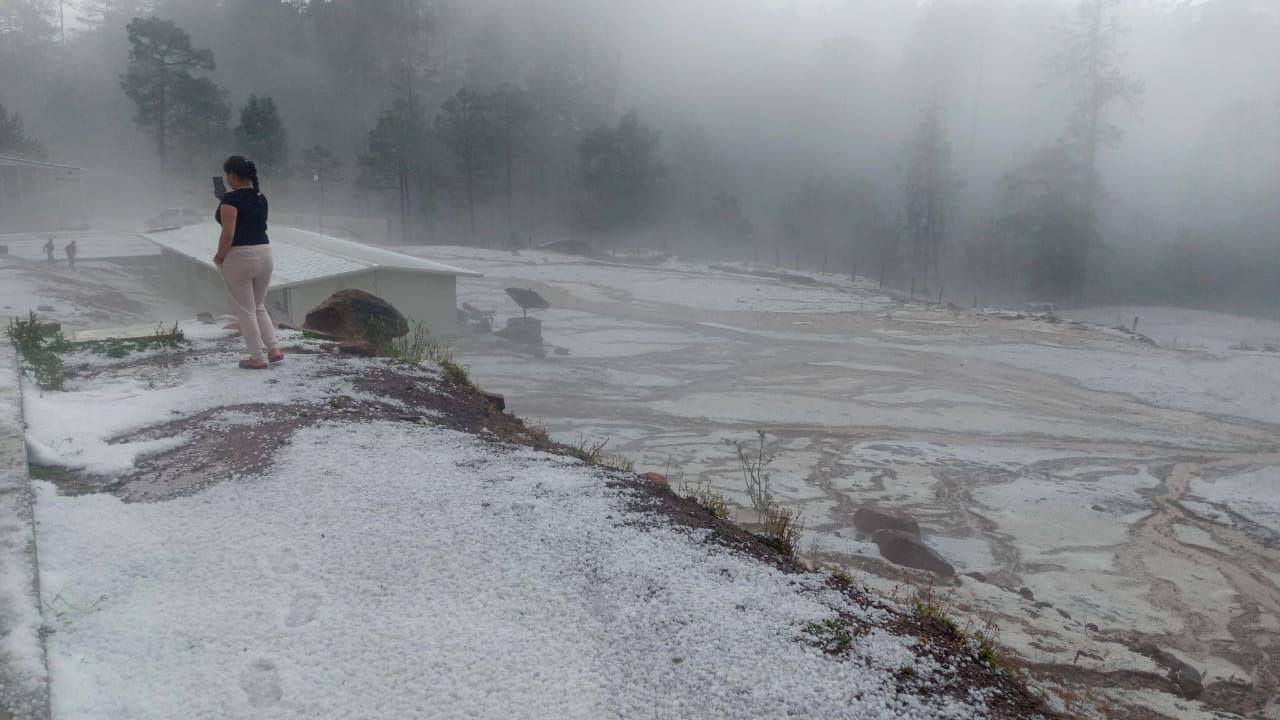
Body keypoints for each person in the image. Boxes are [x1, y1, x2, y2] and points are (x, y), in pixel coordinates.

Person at [214, 155, 284, 370]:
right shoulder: (260, 197)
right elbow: (249, 218)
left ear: (233, 175)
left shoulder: (230, 201)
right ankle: (274, 349)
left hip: (240, 256)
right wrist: (226, 198)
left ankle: (256, 357)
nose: (226, 178)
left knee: (246, 310)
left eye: (227, 174)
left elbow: (229, 234)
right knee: (259, 305)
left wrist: (220, 256)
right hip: (265, 253)